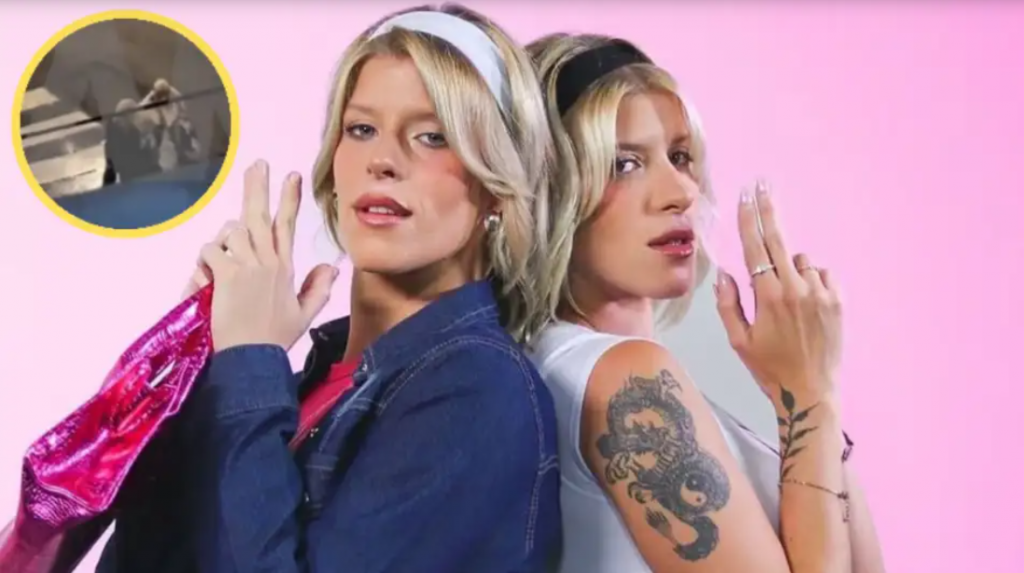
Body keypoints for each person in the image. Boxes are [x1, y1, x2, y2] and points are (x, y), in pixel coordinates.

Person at [94, 5, 561, 572]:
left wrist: (249, 362)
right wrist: (206, 371)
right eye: (361, 129)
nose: (382, 160)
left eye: (433, 136)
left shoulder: (477, 388)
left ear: (498, 188)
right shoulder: (309, 383)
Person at [526, 34, 886, 573]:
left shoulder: (597, 370)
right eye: (624, 164)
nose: (680, 192)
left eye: (680, 157)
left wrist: (807, 392)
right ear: (549, 193)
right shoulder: (624, 381)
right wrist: (810, 394)